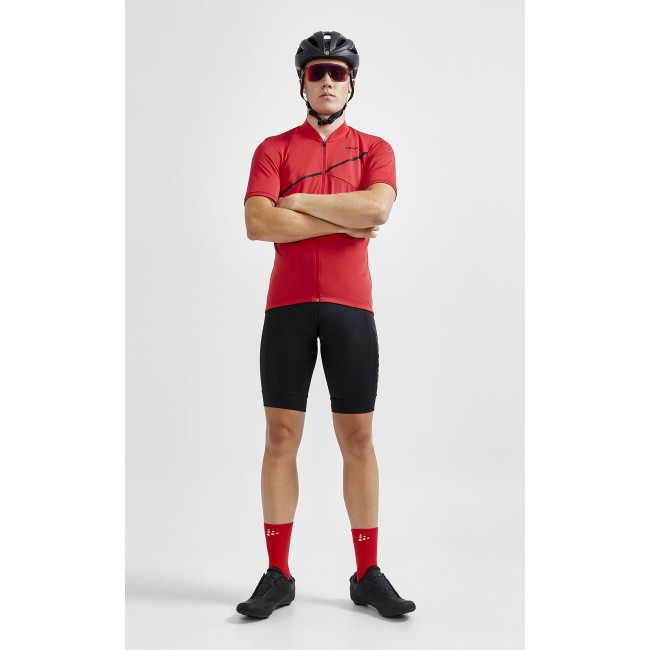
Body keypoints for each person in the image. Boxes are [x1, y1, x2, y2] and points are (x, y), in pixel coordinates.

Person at [236, 30, 416, 619]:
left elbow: (377, 207)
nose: (328, 81)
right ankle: (278, 573)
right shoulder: (273, 149)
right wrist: (342, 219)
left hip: (350, 308)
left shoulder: (374, 148)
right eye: (317, 72)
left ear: (352, 82)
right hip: (286, 308)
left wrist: (295, 202)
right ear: (303, 82)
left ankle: (367, 573)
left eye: (338, 72)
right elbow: (258, 224)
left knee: (358, 439)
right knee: (280, 437)